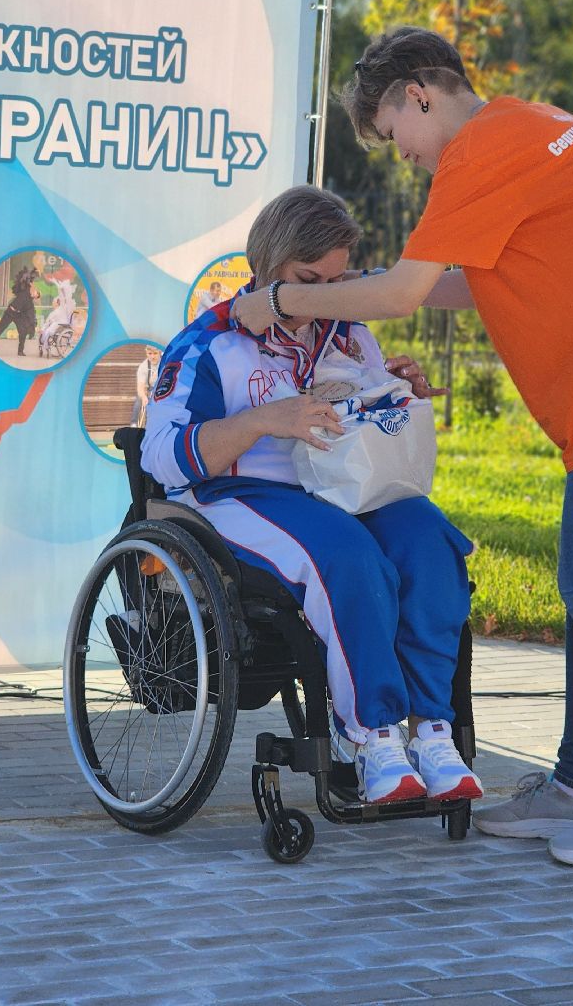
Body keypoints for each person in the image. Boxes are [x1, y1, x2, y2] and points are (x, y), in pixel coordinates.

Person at [232, 28, 573, 868]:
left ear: (418, 96)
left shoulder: (475, 155)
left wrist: (285, 300)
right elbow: (472, 283)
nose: (403, 156)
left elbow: (403, 294)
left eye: (393, 134)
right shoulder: (526, 125)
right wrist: (347, 296)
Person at [141, 185, 483, 805]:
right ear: (266, 265)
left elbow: (364, 423)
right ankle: (372, 736)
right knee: (346, 554)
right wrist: (261, 421)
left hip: (340, 486)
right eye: (307, 281)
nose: (321, 297)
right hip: (238, 492)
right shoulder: (209, 343)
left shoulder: (347, 334)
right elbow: (160, 458)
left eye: (334, 282)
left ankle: (432, 730)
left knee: (430, 542)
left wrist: (395, 391)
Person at [0, 265, 39, 357]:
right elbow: (26, 279)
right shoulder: (25, 289)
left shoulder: (29, 302)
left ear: (35, 296)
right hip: (10, 313)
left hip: (18, 315)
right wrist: (31, 277)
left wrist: (31, 324)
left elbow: (30, 313)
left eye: (37, 295)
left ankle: (20, 351)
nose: (36, 293)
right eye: (36, 292)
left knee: (23, 331)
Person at [130, 345, 162, 427]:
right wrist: (144, 397)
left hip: (163, 389)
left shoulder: (165, 363)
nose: (152, 357)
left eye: (155, 353)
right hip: (149, 390)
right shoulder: (143, 366)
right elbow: (140, 386)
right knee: (139, 401)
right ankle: (134, 425)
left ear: (160, 353)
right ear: (146, 353)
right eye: (150, 353)